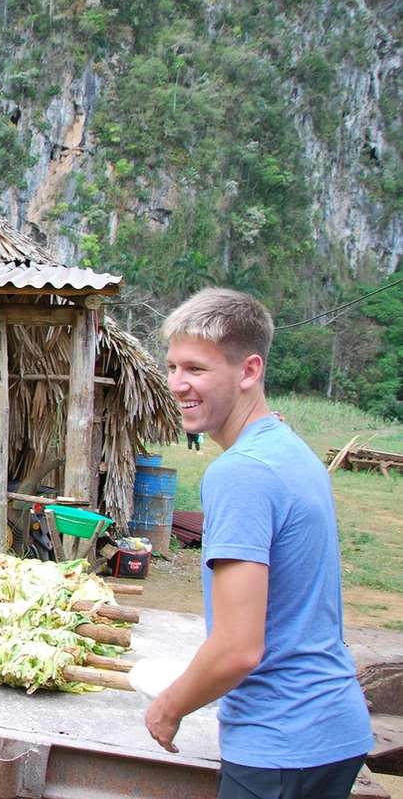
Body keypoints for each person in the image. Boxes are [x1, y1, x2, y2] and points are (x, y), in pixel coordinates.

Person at [146, 288, 372, 797]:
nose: (178, 385)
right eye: (173, 367)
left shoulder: (241, 473)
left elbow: (237, 650)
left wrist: (169, 706)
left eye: (196, 370)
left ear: (248, 372)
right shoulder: (289, 450)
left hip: (281, 738)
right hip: (331, 724)